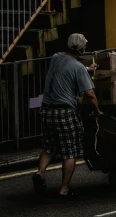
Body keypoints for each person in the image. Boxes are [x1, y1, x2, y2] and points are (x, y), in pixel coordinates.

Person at [34, 33, 102, 197]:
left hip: (46, 110)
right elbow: (90, 94)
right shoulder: (78, 68)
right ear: (82, 48)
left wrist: (87, 69)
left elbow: (67, 69)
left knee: (49, 146)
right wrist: (98, 111)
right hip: (64, 112)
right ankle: (64, 189)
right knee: (69, 150)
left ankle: (40, 173)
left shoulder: (56, 57)